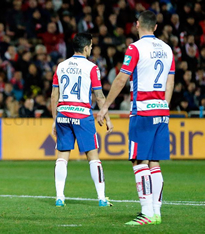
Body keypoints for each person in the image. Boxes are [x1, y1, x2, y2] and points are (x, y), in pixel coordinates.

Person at [97, 11, 175, 225]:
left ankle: (147, 213)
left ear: (137, 24)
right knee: (154, 162)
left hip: (142, 110)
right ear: (156, 27)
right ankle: (156, 212)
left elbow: (122, 78)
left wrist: (105, 107)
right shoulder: (168, 49)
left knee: (139, 161)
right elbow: (170, 82)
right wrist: (164, 107)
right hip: (161, 110)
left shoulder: (135, 48)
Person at [51, 32, 114, 207]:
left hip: (63, 113)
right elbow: (99, 96)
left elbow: (54, 95)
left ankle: (59, 197)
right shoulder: (92, 67)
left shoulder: (61, 66)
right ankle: (102, 198)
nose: (91, 49)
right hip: (82, 113)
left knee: (62, 156)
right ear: (86, 48)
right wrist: (107, 118)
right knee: (93, 156)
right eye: (91, 46)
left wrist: (54, 119)